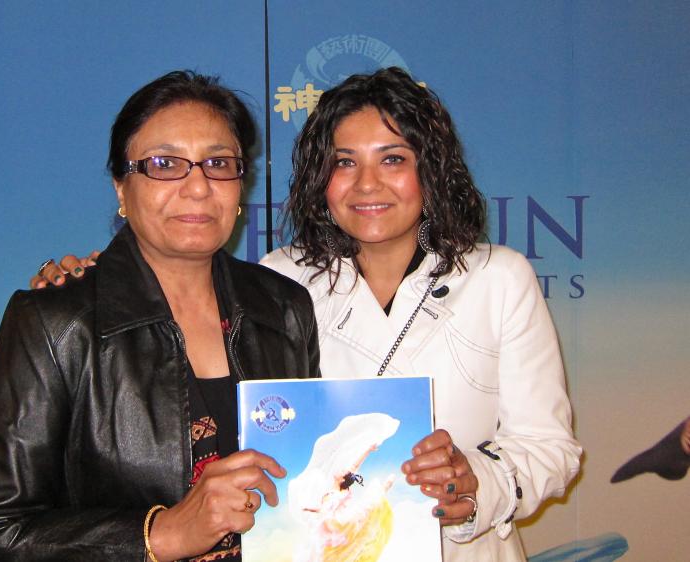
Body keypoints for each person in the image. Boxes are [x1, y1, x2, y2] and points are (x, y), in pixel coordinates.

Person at [30, 67, 581, 560]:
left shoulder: (497, 278)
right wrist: (99, 277)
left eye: (393, 159)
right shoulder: (281, 282)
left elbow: (550, 448)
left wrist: (476, 484)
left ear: (430, 174)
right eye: (345, 162)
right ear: (322, 180)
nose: (368, 184)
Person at [0, 71, 320, 562]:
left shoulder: (285, 307)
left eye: (218, 163)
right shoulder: (56, 324)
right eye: (165, 164)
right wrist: (157, 535)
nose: (197, 186)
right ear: (122, 189)